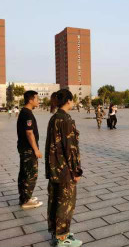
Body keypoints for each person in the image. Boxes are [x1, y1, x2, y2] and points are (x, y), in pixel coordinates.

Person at [45, 89, 83, 247]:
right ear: (68, 100)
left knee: (54, 200)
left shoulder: (54, 118)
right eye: (72, 100)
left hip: (54, 168)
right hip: (65, 170)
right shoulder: (66, 119)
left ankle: (56, 232)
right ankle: (62, 237)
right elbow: (70, 148)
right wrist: (76, 170)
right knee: (66, 203)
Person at [17, 90, 43, 209]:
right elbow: (29, 133)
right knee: (30, 174)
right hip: (28, 149)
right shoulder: (27, 114)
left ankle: (24, 197)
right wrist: (36, 149)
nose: (39, 101)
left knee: (24, 173)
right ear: (30, 100)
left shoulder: (24, 112)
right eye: (37, 99)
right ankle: (26, 200)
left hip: (24, 148)